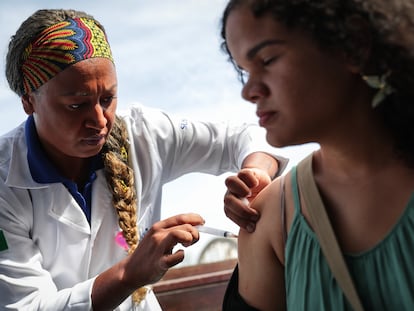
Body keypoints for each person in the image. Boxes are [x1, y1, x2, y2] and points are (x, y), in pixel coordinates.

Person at [0, 8, 288, 311]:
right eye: (76, 105)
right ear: (29, 101)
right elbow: (29, 306)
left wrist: (254, 174)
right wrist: (129, 274)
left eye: (108, 99)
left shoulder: (143, 135)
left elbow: (242, 139)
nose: (99, 121)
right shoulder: (5, 181)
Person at [219, 0, 414, 310]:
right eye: (244, 72)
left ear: (353, 44)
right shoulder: (269, 219)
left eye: (267, 59)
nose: (249, 90)